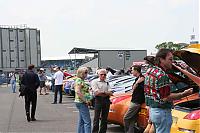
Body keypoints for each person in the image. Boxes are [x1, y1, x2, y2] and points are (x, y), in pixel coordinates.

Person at [144, 49, 193, 133]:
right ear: (161, 60)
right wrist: (184, 94)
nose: (172, 62)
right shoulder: (162, 75)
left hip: (153, 110)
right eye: (170, 59)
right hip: (162, 112)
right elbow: (165, 98)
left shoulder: (150, 71)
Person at [123, 65, 145, 133]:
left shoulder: (142, 78)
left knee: (126, 118)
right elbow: (133, 88)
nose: (131, 72)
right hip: (135, 101)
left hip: (136, 102)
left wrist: (137, 83)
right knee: (132, 119)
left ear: (136, 70)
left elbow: (138, 89)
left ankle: (127, 131)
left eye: (132, 70)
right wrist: (136, 82)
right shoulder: (137, 79)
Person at [91, 69, 113, 133]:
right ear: (98, 75)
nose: (103, 76)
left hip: (106, 100)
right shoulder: (95, 82)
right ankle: (95, 131)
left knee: (105, 118)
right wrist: (106, 92)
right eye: (101, 74)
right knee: (96, 118)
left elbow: (111, 92)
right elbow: (96, 93)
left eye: (104, 74)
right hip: (98, 100)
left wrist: (102, 92)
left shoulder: (107, 82)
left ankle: (103, 131)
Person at [74, 67, 92, 133]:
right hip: (81, 102)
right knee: (87, 122)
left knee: (82, 121)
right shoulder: (79, 80)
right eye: (85, 72)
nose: (87, 74)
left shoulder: (80, 80)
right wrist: (85, 100)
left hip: (80, 102)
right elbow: (77, 91)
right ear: (81, 73)